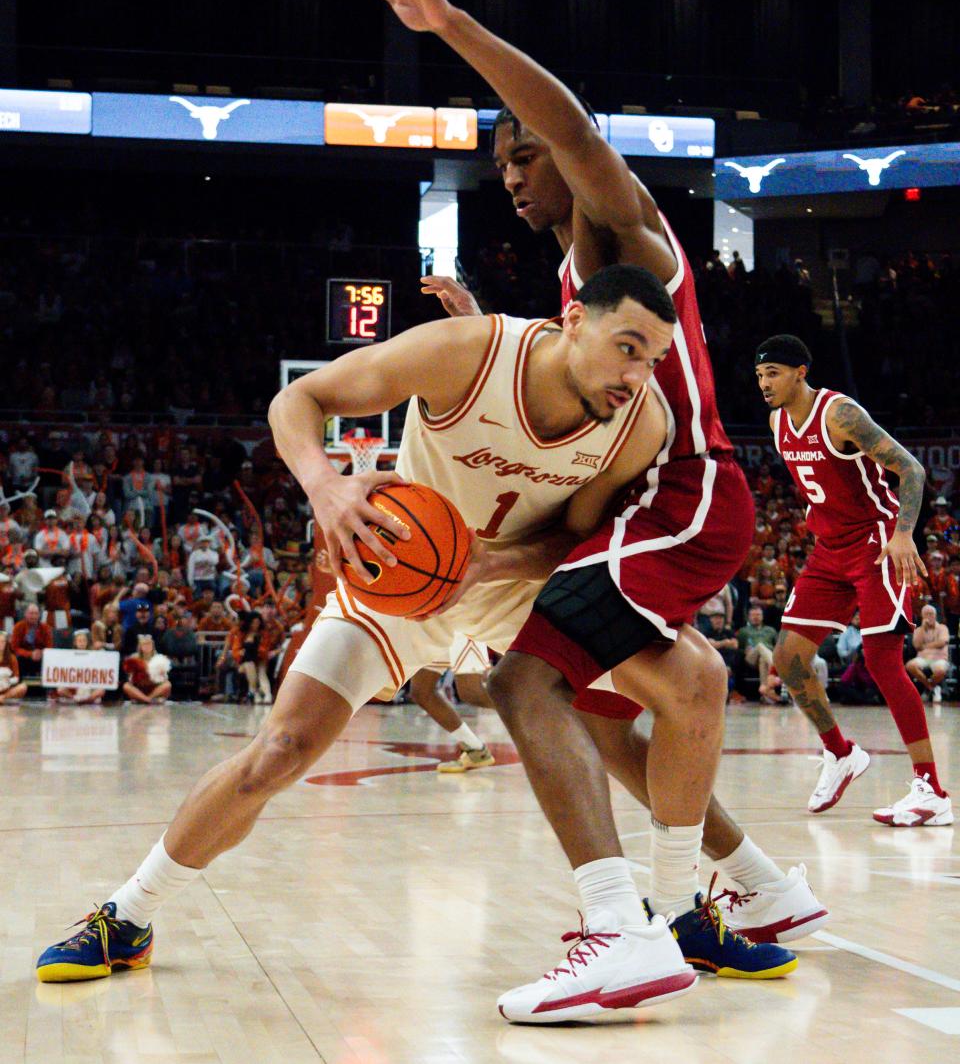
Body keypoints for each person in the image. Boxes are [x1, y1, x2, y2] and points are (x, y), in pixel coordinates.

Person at [36, 266, 811, 999]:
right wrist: (326, 488)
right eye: (627, 348)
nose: (636, 374)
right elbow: (296, 402)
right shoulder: (463, 354)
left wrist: (489, 563)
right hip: (399, 584)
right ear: (571, 320)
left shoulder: (639, 422)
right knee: (279, 752)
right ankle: (128, 916)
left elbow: (571, 538)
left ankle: (689, 906)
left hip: (513, 588)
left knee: (692, 678)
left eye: (653, 360)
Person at [347, 0, 797, 1023]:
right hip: (652, 501)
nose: (509, 173)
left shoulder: (624, 235)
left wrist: (446, 22)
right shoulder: (576, 284)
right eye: (499, 160)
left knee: (524, 682)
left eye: (521, 154)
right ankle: (749, 896)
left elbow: (582, 132)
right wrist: (480, 325)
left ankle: (639, 925)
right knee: (614, 706)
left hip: (682, 489)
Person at [757, 334, 952, 825]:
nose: (764, 384)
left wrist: (905, 532)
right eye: (760, 376)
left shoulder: (839, 414)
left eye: (773, 373)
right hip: (830, 549)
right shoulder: (778, 420)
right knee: (789, 657)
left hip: (877, 540)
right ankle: (841, 753)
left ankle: (931, 789)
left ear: (801, 372)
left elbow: (910, 468)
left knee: (882, 658)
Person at [408, 635, 498, 771]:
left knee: (471, 692)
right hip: (436, 623)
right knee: (421, 691)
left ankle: (536, 710)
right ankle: (476, 750)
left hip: (461, 622)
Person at [737, 606, 779, 704]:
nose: (755, 617)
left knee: (763, 659)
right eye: (753, 615)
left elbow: (777, 647)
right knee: (760, 646)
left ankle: (766, 692)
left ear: (762, 617)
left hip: (766, 656)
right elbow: (739, 648)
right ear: (748, 617)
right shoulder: (743, 631)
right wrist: (744, 651)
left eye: (758, 615)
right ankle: (775, 667)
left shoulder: (771, 630)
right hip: (751, 657)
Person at [907, 604, 949, 703]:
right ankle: (932, 687)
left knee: (941, 670)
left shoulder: (943, 628)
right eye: (926, 614)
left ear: (935, 615)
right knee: (910, 666)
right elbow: (917, 645)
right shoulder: (918, 630)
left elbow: (942, 642)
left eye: (931, 614)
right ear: (922, 616)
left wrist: (925, 646)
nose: (929, 616)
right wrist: (923, 629)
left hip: (939, 657)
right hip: (923, 658)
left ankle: (927, 688)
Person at [122, 635, 172, 705]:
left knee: (167, 685)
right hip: (139, 686)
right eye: (145, 645)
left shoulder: (159, 658)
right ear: (140, 647)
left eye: (149, 644)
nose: (147, 647)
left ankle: (146, 699)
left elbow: (165, 678)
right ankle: (147, 700)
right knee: (126, 686)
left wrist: (162, 674)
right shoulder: (134, 658)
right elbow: (130, 678)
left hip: (155, 686)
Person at [0, 629, 27, 704]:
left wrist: (8, 681)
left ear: (6, 643)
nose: (1, 644)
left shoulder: (12, 658)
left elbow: (16, 677)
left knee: (23, 687)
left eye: (3, 642)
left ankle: (3, 697)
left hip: (6, 687)